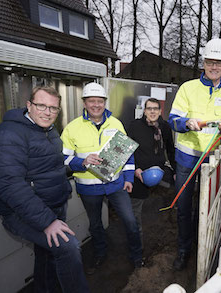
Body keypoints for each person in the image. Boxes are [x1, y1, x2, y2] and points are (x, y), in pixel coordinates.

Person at [0, 86, 89, 293]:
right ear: (29, 106)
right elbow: (10, 184)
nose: (48, 112)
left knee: (47, 255)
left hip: (52, 205)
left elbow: (54, 161)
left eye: (53, 108)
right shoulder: (9, 134)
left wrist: (82, 163)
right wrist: (48, 222)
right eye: (41, 105)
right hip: (23, 212)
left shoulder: (49, 130)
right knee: (68, 248)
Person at [168, 38, 221, 270]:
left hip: (214, 161)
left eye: (219, 63)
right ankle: (184, 249)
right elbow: (173, 120)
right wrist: (187, 123)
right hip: (187, 159)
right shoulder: (187, 88)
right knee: (184, 208)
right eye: (210, 61)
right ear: (204, 63)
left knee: (207, 208)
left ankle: (202, 248)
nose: (214, 66)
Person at [61, 82, 143, 274]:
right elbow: (62, 158)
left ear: (105, 102)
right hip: (88, 189)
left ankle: (137, 256)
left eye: (100, 101)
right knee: (96, 224)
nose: (96, 105)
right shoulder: (72, 128)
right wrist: (81, 161)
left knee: (130, 221)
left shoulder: (115, 124)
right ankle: (100, 254)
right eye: (91, 101)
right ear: (84, 103)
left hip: (116, 184)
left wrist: (129, 178)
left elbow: (127, 154)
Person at [127, 98, 176, 242]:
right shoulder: (135, 126)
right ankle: (137, 244)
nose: (153, 111)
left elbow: (170, 150)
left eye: (156, 108)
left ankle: (161, 234)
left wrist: (175, 171)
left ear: (160, 111)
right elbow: (127, 151)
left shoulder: (165, 127)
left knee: (160, 201)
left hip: (158, 173)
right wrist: (135, 170)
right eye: (149, 108)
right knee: (136, 212)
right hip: (139, 174)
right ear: (144, 110)